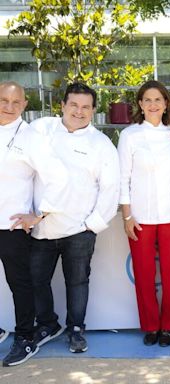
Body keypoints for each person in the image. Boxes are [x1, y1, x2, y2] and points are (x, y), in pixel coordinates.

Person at [29, 82, 120, 354]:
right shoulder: (40, 130)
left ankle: (76, 329)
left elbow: (110, 188)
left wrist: (91, 225)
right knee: (36, 279)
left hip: (79, 229)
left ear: (93, 110)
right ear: (62, 106)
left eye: (85, 107)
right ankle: (47, 323)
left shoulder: (101, 144)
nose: (79, 112)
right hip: (40, 225)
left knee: (77, 282)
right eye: (74, 105)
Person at [0, 81, 68, 366]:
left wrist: (38, 214)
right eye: (4, 100)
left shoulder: (30, 138)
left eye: (16, 102)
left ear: (25, 105)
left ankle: (25, 338)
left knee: (21, 285)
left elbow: (59, 177)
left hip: (12, 226)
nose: (9, 107)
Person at [118, 80, 170, 347]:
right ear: (140, 105)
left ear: (166, 103)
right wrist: (127, 216)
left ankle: (168, 326)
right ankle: (151, 325)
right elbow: (123, 178)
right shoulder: (130, 135)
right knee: (144, 275)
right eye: (147, 100)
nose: (153, 104)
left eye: (158, 99)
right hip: (140, 216)